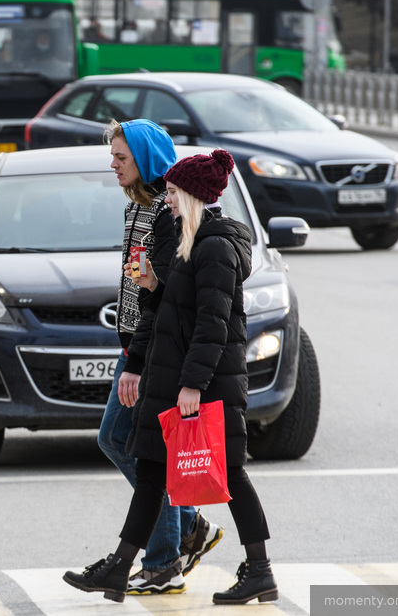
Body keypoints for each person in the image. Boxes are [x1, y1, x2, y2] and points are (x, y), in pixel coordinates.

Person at [64, 149, 278, 606]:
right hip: (175, 377)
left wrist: (193, 386)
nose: (168, 200)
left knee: (231, 477)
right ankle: (121, 567)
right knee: (150, 472)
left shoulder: (216, 247)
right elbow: (180, 310)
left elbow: (213, 324)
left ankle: (260, 571)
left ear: (197, 197)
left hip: (206, 385)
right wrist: (154, 289)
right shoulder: (190, 243)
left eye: (176, 193)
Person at [97, 119, 223, 596]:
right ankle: (186, 528)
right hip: (136, 345)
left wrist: (136, 359)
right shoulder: (138, 207)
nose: (113, 164)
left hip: (150, 351)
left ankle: (166, 556)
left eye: (121, 157)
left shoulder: (166, 215)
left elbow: (172, 293)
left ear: (145, 159)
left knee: (131, 445)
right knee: (129, 445)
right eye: (112, 156)